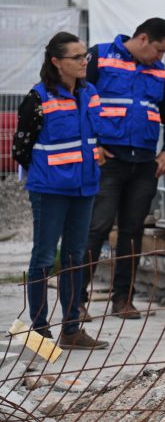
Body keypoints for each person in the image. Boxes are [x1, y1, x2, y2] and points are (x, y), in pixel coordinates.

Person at [12, 32, 108, 349]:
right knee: (43, 256)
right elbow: (21, 148)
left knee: (75, 257)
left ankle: (71, 328)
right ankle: (39, 331)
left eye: (85, 56)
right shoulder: (38, 98)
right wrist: (47, 172)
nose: (84, 62)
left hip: (85, 187)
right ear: (56, 62)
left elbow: (95, 135)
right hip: (50, 190)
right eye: (77, 57)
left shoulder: (90, 93)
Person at [82, 18, 165, 321]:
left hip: (144, 165)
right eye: (159, 50)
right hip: (108, 162)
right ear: (142, 39)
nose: (160, 57)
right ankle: (76, 300)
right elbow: (76, 100)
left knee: (132, 232)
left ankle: (123, 299)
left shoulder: (159, 72)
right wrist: (91, 144)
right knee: (97, 227)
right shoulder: (99, 56)